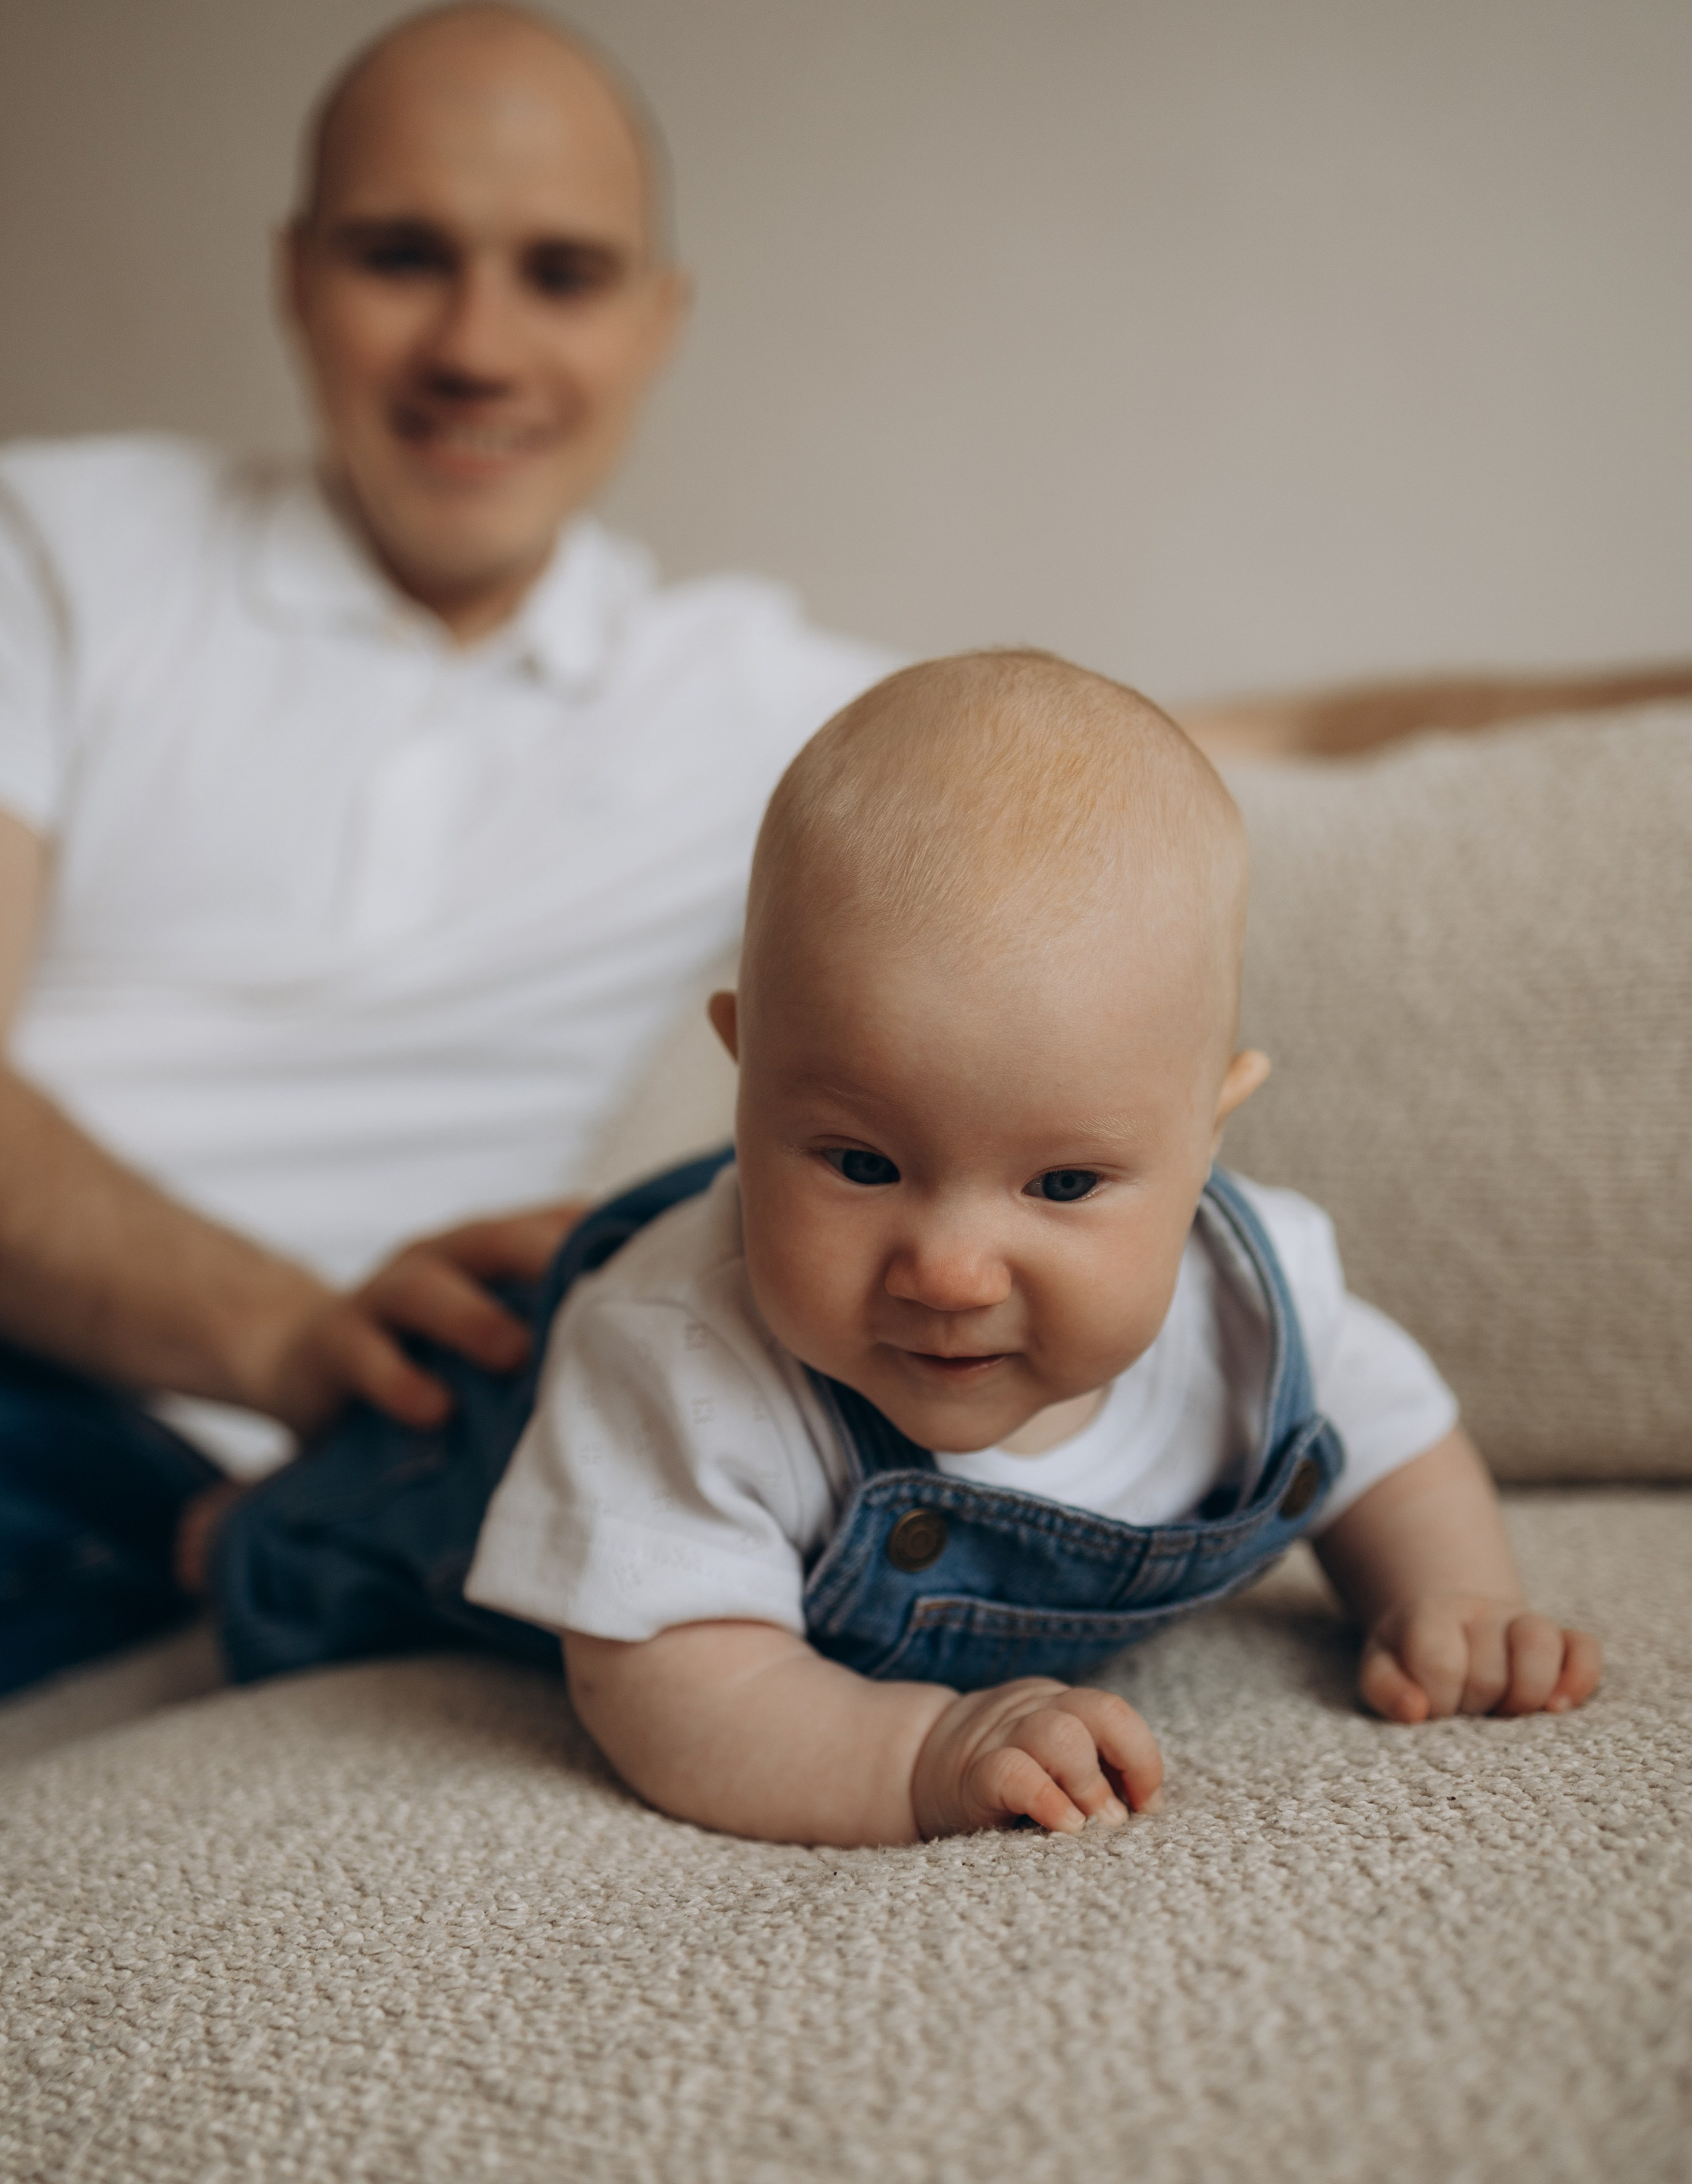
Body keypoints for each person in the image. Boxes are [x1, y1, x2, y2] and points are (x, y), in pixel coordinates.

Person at [211, 653, 1602, 1842]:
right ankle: (228, 1528)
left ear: (1205, 1135)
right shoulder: (681, 1354)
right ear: (742, 1077)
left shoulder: (1258, 1300)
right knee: (329, 1541)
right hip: (481, 1451)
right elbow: (669, 1682)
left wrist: (1450, 1602)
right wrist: (918, 1756)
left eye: (1060, 1183)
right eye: (860, 1164)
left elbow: (1395, 1443)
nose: (946, 1268)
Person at [0, 3, 892, 1703]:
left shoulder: (760, 706)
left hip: (233, 1492)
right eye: (403, 255)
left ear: (655, 321)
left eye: (560, 272)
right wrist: (281, 1333)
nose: (476, 346)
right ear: (297, 275)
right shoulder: (47, 546)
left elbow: (1238, 741)